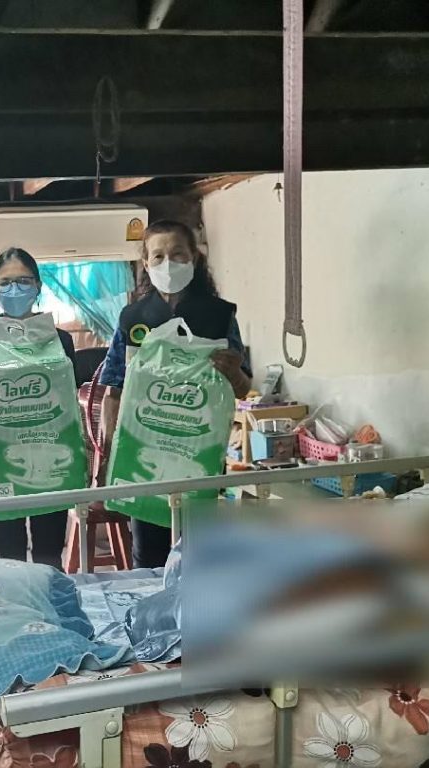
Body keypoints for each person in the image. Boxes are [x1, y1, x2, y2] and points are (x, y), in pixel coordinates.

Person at [99, 220, 252, 569]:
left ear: (194, 258)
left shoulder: (219, 316)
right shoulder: (132, 318)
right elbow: (114, 391)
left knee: (197, 558)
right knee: (148, 558)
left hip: (197, 454)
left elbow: (244, 388)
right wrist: (109, 454)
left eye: (178, 254)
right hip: (142, 458)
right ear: (146, 263)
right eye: (158, 256)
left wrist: (233, 371)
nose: (168, 263)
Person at [0, 247, 75, 569]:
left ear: (38, 286)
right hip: (0, 460)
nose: (15, 289)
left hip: (50, 461)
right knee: (8, 556)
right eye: (6, 282)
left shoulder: (60, 340)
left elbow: (69, 404)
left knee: (49, 555)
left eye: (24, 281)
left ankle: (50, 600)